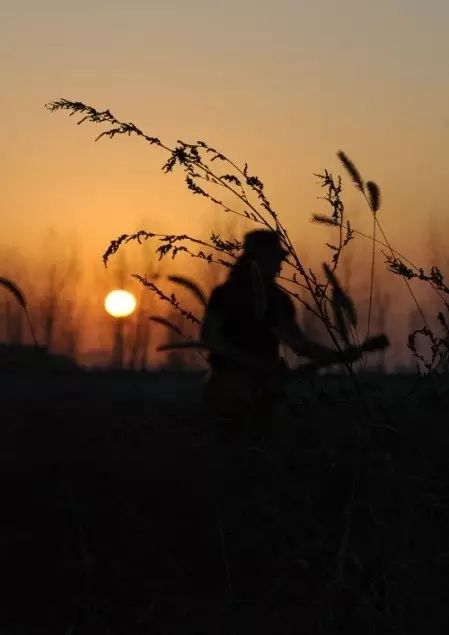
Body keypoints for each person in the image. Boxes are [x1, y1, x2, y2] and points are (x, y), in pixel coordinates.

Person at [201, 229, 357, 425]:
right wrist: (250, 364)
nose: (280, 265)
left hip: (266, 392)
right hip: (227, 391)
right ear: (257, 259)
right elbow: (209, 338)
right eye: (275, 258)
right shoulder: (225, 295)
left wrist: (337, 356)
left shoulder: (278, 300)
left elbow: (299, 344)